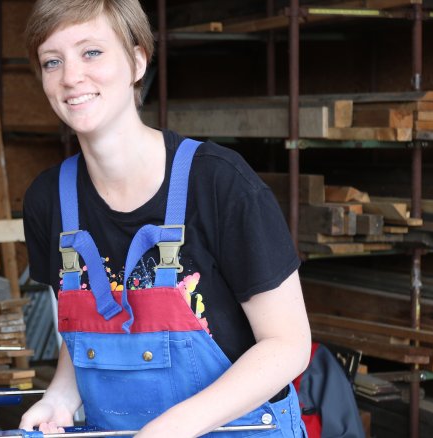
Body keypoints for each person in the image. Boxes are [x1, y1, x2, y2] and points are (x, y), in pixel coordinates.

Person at [19, 0, 312, 436]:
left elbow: (288, 345)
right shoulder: (49, 201)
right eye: (52, 61)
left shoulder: (218, 183)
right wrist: (62, 394)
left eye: (92, 52)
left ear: (137, 60)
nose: (71, 76)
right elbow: (85, 333)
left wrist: (175, 426)